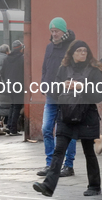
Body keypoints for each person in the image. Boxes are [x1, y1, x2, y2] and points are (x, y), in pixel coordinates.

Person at [33, 40, 102, 197]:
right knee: (59, 151)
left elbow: (98, 95)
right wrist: (64, 86)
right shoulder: (63, 69)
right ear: (72, 53)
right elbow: (54, 91)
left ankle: (95, 186)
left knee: (89, 152)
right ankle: (48, 186)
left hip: (86, 116)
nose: (83, 53)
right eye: (79, 50)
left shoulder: (93, 71)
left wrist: (81, 87)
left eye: (85, 51)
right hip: (66, 115)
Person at [37, 17, 77, 178]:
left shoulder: (72, 47)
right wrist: (43, 83)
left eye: (57, 31)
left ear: (63, 31)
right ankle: (50, 164)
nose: (54, 34)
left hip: (67, 96)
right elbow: (45, 68)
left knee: (68, 131)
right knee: (46, 129)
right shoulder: (49, 47)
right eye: (52, 31)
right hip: (51, 95)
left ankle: (68, 165)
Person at [1, 40, 24, 136]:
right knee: (17, 107)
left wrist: (7, 81)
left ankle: (10, 126)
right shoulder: (22, 58)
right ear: (20, 49)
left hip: (9, 85)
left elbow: (2, 72)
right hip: (19, 85)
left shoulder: (6, 59)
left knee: (13, 105)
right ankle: (13, 129)